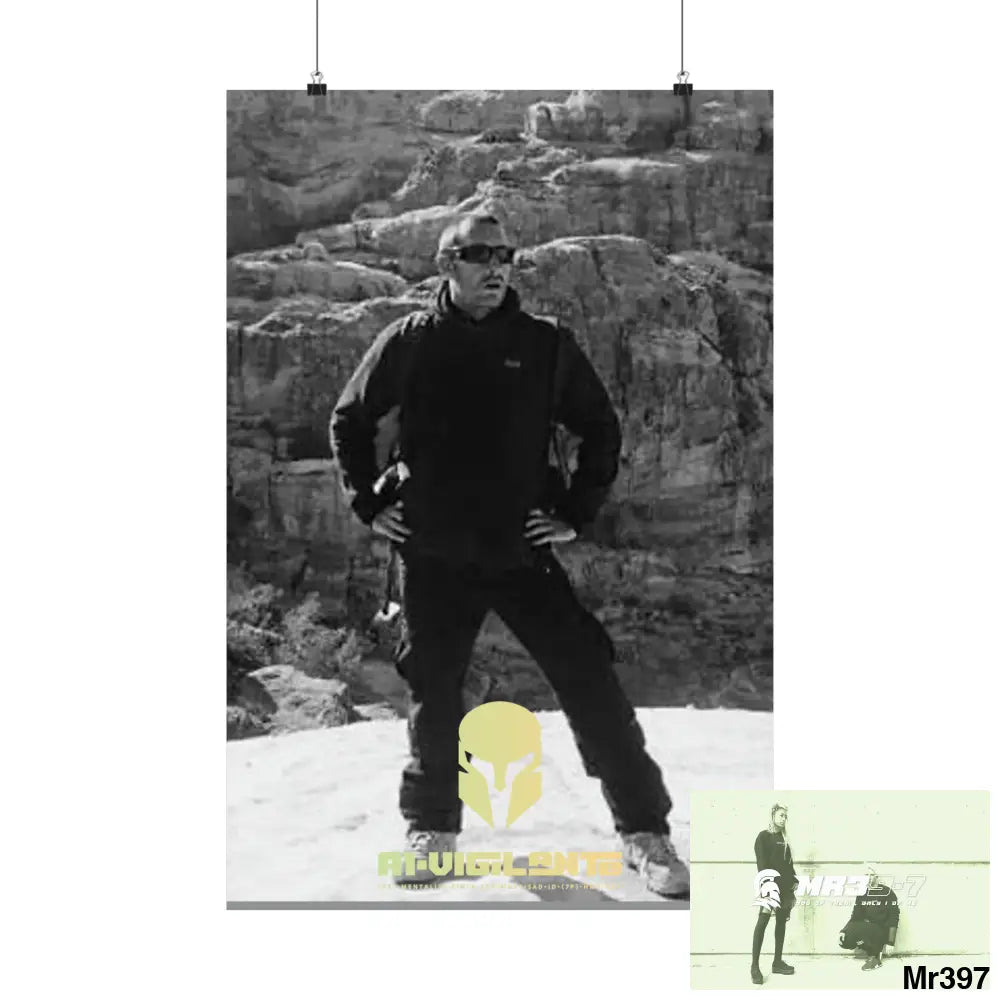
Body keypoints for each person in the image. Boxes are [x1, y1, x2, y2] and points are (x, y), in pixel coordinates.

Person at [329, 211, 689, 898]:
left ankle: (645, 831)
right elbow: (349, 420)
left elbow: (599, 428)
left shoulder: (545, 344)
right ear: (447, 264)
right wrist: (369, 505)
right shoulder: (409, 341)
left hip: (521, 550)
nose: (496, 267)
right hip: (434, 553)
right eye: (479, 255)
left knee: (590, 681)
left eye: (505, 255)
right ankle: (431, 829)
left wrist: (574, 513)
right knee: (435, 694)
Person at [750, 803, 797, 983]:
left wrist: (794, 882)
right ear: (773, 816)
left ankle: (777, 962)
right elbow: (762, 864)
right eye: (781, 815)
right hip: (770, 886)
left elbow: (789, 866)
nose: (784, 819)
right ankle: (754, 967)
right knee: (762, 921)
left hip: (785, 888)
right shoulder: (763, 837)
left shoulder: (785, 840)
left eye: (786, 816)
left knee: (781, 923)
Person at [838, 864, 899, 970]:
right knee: (845, 940)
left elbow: (894, 917)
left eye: (871, 875)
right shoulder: (862, 893)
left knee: (869, 928)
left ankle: (874, 957)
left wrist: (890, 942)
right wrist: (844, 930)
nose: (869, 877)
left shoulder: (887, 892)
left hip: (881, 930)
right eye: (866, 875)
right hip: (867, 929)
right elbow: (855, 916)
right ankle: (871, 949)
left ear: (876, 877)